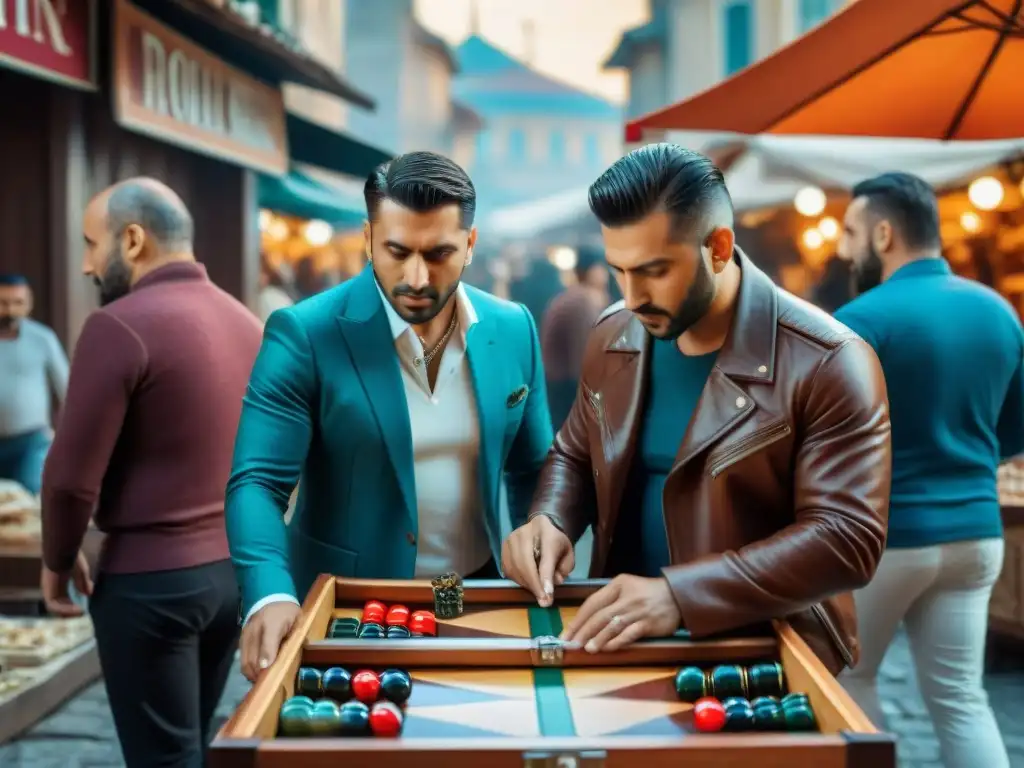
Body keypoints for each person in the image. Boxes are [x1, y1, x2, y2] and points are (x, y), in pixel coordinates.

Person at [501, 144, 891, 674]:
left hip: (764, 654)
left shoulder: (831, 360)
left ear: (719, 247)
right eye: (618, 270)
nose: (633, 296)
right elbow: (575, 451)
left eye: (654, 270)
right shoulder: (613, 332)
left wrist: (681, 595)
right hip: (621, 638)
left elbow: (846, 538)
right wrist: (551, 517)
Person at [227, 151, 553, 681]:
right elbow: (257, 481)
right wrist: (268, 592)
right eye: (397, 252)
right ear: (368, 238)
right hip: (348, 605)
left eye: (439, 253)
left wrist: (542, 528)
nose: (417, 277)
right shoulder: (305, 333)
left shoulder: (512, 326)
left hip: (471, 591)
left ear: (470, 246)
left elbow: (537, 468)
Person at [39, 178, 263, 768]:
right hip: (232, 578)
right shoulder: (247, 323)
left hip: (151, 585)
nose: (87, 264)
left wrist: (58, 560)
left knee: (162, 759)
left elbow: (67, 480)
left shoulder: (118, 325)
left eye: (92, 243)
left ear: (132, 240)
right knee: (191, 744)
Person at [834, 172, 1016, 768]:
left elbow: (827, 439)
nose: (842, 249)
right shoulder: (999, 313)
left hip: (888, 539)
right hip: (977, 533)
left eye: (851, 232)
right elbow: (1016, 427)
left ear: (883, 234)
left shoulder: (859, 320)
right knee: (961, 698)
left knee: (849, 679)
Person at [0, 274, 68, 494]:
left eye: (18, 303)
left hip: (31, 441)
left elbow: (67, 389)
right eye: (2, 303)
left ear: (29, 304)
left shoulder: (42, 338)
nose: (10, 310)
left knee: (30, 500)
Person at [541, 245, 611, 431]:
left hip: (559, 391)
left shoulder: (573, 297)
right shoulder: (580, 301)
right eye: (602, 268)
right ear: (593, 271)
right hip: (566, 394)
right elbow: (584, 361)